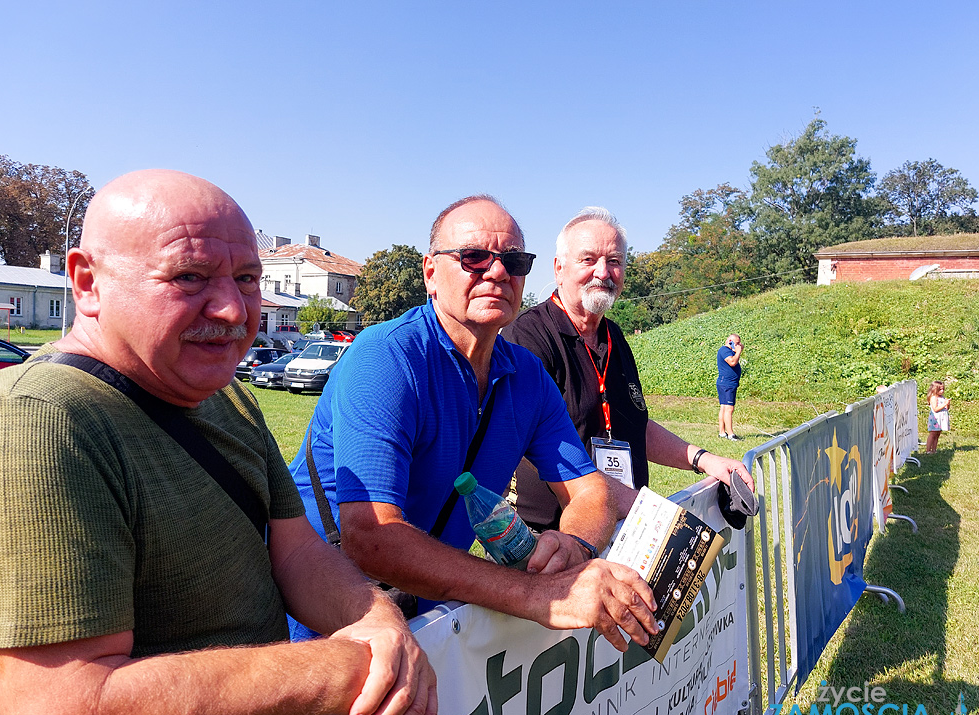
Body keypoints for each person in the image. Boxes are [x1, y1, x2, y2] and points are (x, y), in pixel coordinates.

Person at [0, 170, 436, 715]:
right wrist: (345, 668)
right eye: (189, 276)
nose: (231, 309)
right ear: (86, 282)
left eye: (247, 278)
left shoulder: (227, 397)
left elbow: (297, 553)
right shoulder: (41, 422)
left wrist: (374, 621)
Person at [289, 195, 657, 654]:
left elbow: (590, 491)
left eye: (514, 261)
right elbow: (372, 536)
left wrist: (575, 544)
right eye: (474, 257)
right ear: (430, 273)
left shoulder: (527, 378)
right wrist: (538, 595)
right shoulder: (385, 359)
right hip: (324, 620)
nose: (498, 272)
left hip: (432, 617)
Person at [503, 207, 753, 529]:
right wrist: (646, 511)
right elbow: (549, 449)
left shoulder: (614, 336)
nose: (603, 272)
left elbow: (634, 426)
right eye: (588, 259)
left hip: (621, 522)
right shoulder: (528, 335)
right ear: (559, 268)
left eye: (615, 261)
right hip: (556, 536)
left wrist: (702, 459)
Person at [717, 334, 743, 440]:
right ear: (730, 341)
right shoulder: (725, 350)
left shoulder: (729, 351)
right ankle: (731, 434)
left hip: (727, 383)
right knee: (729, 408)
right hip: (727, 384)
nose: (738, 346)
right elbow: (732, 362)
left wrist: (738, 348)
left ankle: (722, 432)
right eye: (736, 343)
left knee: (724, 407)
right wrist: (738, 352)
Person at [925, 379, 951, 453]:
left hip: (942, 418)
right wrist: (944, 404)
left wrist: (947, 404)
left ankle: (934, 450)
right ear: (935, 389)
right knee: (933, 434)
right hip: (936, 419)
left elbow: (947, 408)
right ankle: (928, 450)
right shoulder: (934, 398)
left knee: (937, 434)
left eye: (943, 389)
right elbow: (935, 409)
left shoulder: (942, 397)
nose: (942, 391)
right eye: (940, 389)